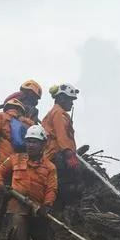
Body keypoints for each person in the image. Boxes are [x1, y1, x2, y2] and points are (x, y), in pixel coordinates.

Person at [0, 125, 58, 240]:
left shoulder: (50, 167)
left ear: (43, 144)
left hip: (38, 210)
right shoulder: (15, 159)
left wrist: (47, 206)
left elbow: (52, 189)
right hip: (17, 208)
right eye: (29, 141)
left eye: (35, 142)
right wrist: (0, 185)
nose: (31, 145)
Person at [42, 83, 82, 217]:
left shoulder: (55, 112)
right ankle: (63, 212)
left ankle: (60, 210)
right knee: (66, 185)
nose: (72, 103)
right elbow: (62, 135)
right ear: (62, 98)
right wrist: (69, 154)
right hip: (58, 155)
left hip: (55, 155)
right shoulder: (59, 113)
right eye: (70, 99)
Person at [0, 98, 34, 169]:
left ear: (6, 108)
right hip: (25, 163)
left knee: (0, 175)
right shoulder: (29, 123)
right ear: (21, 110)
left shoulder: (0, 116)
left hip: (6, 160)